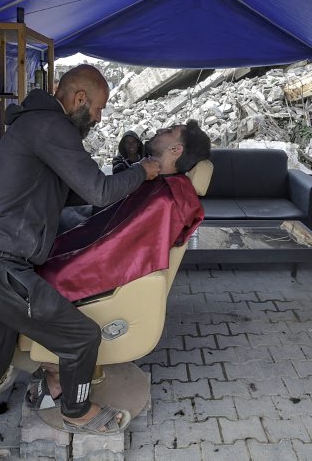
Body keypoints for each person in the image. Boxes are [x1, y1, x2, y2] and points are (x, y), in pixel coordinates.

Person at [0, 64, 160, 458]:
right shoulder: (53, 126)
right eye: (98, 109)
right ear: (79, 99)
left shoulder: (34, 124)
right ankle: (76, 410)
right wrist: (140, 172)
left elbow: (72, 195)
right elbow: (98, 190)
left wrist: (121, 193)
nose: (98, 119)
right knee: (81, 337)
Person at [27, 120, 211, 409]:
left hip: (102, 270)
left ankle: (58, 374)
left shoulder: (165, 199)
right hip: (96, 255)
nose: (158, 131)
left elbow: (116, 251)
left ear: (176, 150)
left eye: (168, 131)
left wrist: (58, 262)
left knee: (31, 278)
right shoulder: (161, 186)